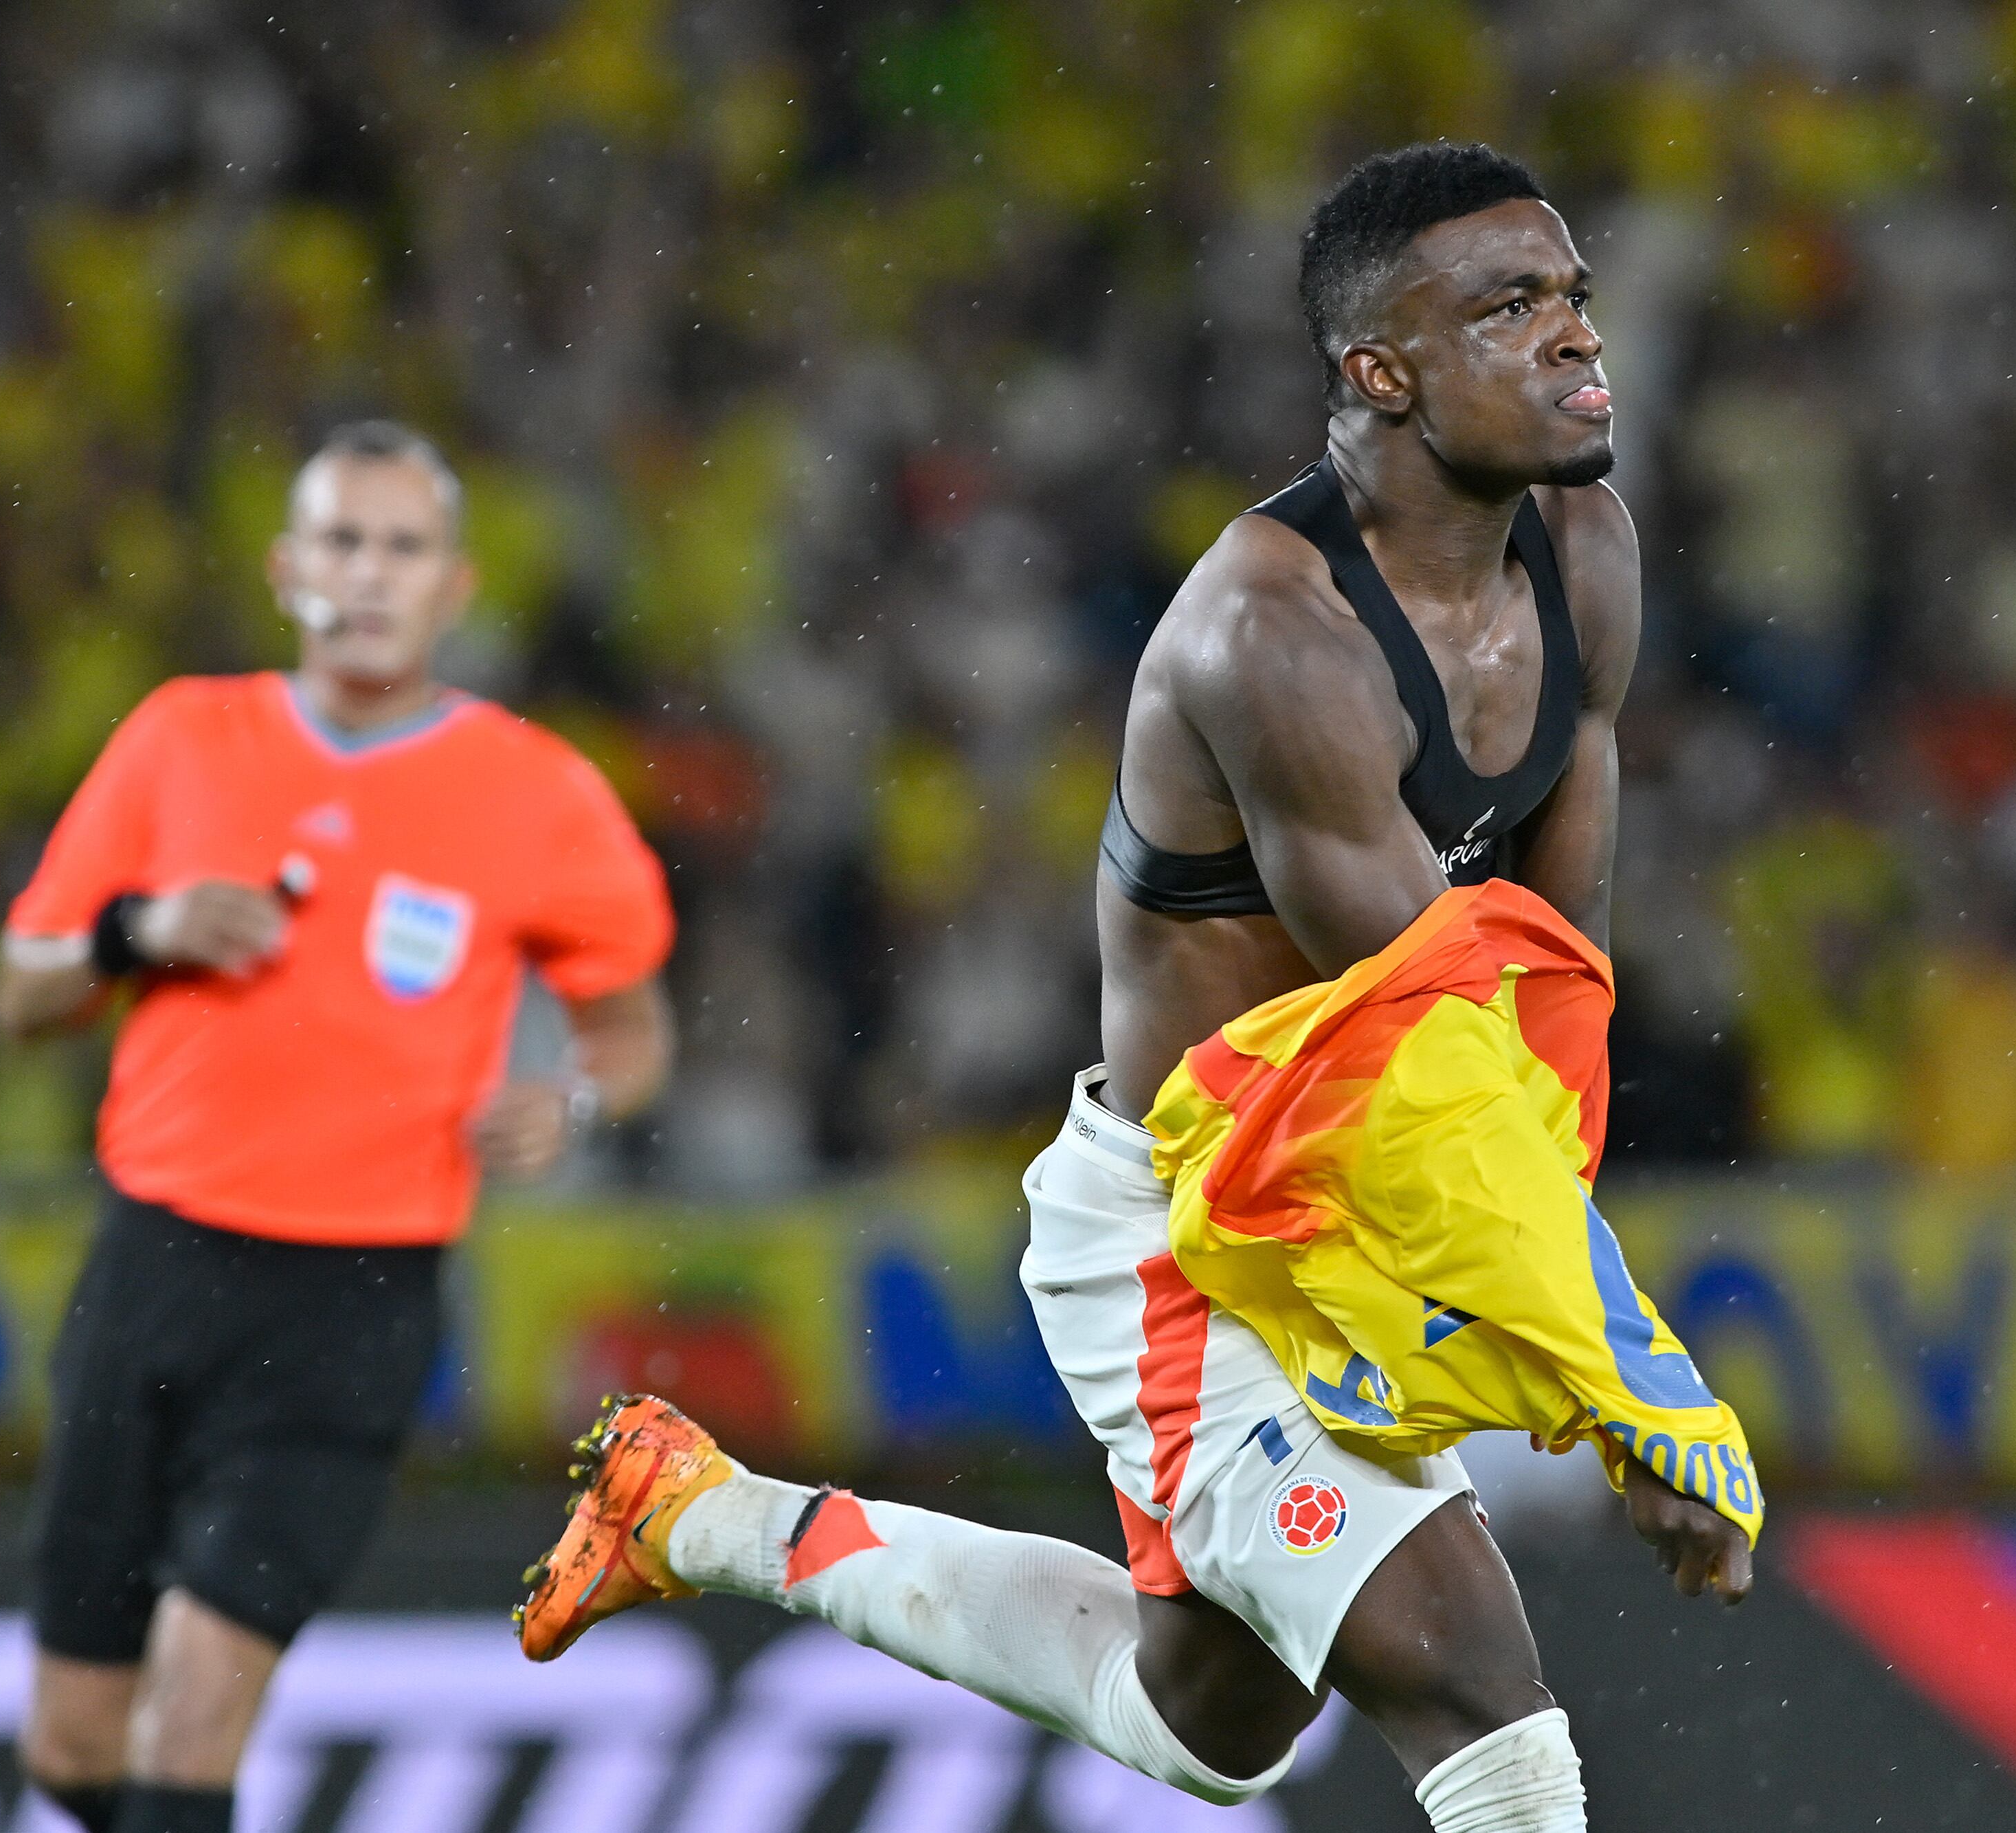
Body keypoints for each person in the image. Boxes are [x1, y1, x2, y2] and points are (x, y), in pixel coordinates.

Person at [515, 142, 1746, 1833]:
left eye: (1572, 297)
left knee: (1208, 1722)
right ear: (1378, 373)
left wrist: (1567, 1319)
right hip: (1196, 1223)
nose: (1573, 339)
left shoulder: (1584, 548)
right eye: (1508, 306)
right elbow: (1431, 1049)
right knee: (1470, 1671)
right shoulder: (1271, 637)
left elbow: (1543, 998)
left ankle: (704, 1515)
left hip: (1371, 1178)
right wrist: (1633, 1381)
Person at [0, 421, 677, 1833]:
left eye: (403, 546)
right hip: (152, 1271)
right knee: (69, 1742)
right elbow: (21, 992)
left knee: (200, 1689)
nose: (370, 574)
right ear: (287, 567)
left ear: (456, 585)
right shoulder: (183, 734)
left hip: (356, 1296)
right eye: (344, 542)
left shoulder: (534, 791)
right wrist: (141, 927)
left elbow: (634, 1027)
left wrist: (581, 1099)